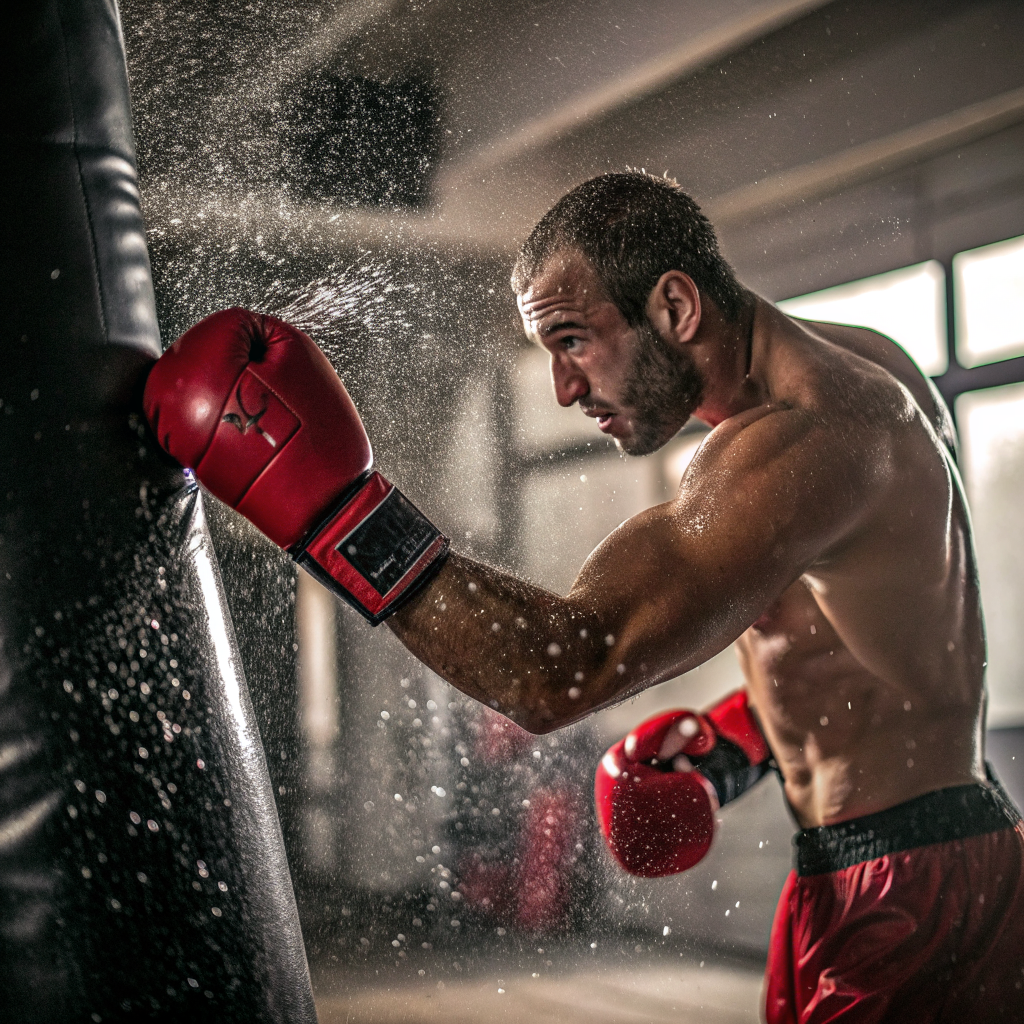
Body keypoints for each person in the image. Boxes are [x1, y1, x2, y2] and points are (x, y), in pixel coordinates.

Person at [144, 172, 1024, 1021]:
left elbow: (560, 670)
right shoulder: (874, 373)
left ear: (676, 308)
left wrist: (337, 512)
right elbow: (905, 648)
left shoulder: (805, 442)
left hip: (912, 890)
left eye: (572, 340)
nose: (565, 388)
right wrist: (734, 747)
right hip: (893, 856)